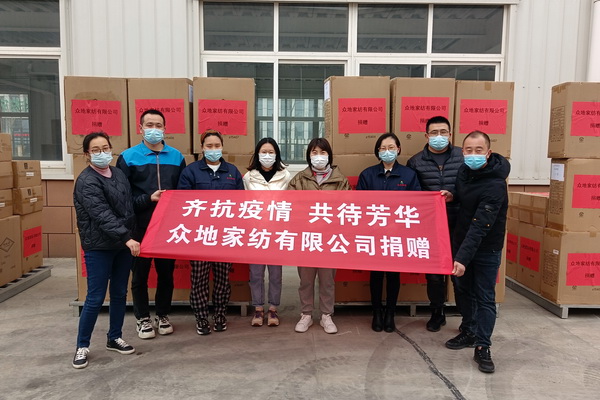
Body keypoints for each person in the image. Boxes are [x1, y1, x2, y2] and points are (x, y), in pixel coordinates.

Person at [442, 131, 510, 374]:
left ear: (488, 153)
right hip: (462, 242)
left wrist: (462, 258)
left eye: (478, 150)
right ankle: (469, 330)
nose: (473, 154)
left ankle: (483, 346)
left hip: (486, 248)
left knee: (484, 296)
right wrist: (452, 195)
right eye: (468, 150)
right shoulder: (464, 171)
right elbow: (465, 197)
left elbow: (480, 225)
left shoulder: (496, 184)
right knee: (462, 289)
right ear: (462, 152)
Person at [72, 132, 140, 369]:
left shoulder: (118, 174)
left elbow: (128, 206)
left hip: (121, 245)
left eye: (105, 148)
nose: (102, 153)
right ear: (87, 154)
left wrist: (147, 199)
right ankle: (82, 345)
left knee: (120, 293)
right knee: (95, 297)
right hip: (99, 247)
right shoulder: (86, 181)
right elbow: (102, 214)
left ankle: (114, 337)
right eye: (96, 150)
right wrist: (127, 237)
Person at [116, 109, 186, 339]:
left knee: (166, 274)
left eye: (158, 125)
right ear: (140, 128)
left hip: (168, 227)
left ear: (165, 129)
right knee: (140, 276)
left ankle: (163, 315)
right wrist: (148, 199)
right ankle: (142, 318)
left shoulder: (177, 157)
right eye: (149, 125)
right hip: (139, 226)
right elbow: (122, 198)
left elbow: (183, 193)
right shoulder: (127, 157)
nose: (154, 129)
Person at [177, 129, 244, 335]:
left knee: (223, 278)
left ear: (222, 147)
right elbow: (183, 203)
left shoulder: (232, 171)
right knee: (199, 278)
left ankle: (220, 314)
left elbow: (241, 203)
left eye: (217, 145)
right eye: (209, 146)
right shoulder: (191, 172)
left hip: (225, 235)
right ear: (202, 148)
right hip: (200, 235)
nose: (213, 149)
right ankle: (201, 317)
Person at [356, 133, 421, 333]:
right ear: (377, 151)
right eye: (383, 148)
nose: (387, 151)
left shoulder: (409, 175)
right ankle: (377, 312)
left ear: (398, 149)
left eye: (391, 147)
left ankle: (390, 313)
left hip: (397, 235)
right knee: (375, 274)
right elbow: (359, 206)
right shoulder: (367, 175)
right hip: (374, 234)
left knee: (393, 274)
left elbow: (417, 204)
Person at [287, 137, 350, 334]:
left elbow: (347, 208)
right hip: (306, 238)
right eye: (314, 152)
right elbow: (290, 207)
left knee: (327, 280)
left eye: (323, 152)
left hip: (330, 239)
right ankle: (306, 314)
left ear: (329, 155)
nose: (319, 156)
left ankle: (326, 315)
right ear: (309, 156)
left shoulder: (340, 180)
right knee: (306, 280)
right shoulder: (299, 179)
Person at [407, 116, 463, 332]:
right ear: (426, 136)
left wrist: (454, 195)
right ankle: (437, 313)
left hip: (459, 224)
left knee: (460, 274)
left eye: (443, 132)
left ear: (450, 134)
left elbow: (471, 187)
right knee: (434, 275)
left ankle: (467, 318)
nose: (439, 136)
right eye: (434, 133)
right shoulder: (416, 162)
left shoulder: (463, 157)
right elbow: (413, 195)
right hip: (430, 228)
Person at [243, 138, 292, 327]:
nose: (267, 155)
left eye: (271, 152)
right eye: (264, 152)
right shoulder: (249, 177)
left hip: (277, 233)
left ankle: (273, 309)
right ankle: (258, 308)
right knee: (256, 273)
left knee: (275, 274)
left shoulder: (285, 176)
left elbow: (291, 204)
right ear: (257, 154)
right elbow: (243, 204)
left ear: (277, 154)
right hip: (255, 233)